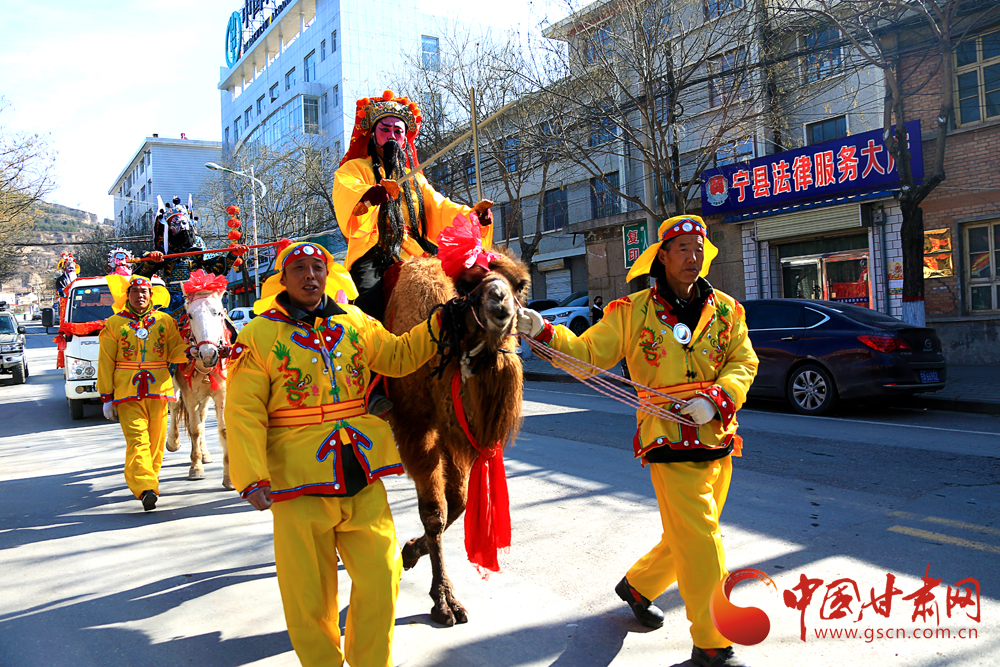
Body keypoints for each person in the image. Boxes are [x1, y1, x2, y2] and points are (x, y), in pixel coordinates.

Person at [516, 215, 758, 667]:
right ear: (661, 256)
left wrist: (718, 397)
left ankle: (638, 586)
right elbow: (589, 356)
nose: (693, 257)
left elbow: (744, 361)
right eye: (682, 249)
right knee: (703, 539)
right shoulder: (632, 313)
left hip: (719, 434)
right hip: (667, 439)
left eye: (698, 248)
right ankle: (712, 641)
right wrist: (543, 331)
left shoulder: (727, 310)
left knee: (688, 534)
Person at [225, 240, 448, 667]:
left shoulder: (356, 321)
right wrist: (251, 476)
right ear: (282, 279)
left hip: (361, 472)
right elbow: (243, 412)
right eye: (300, 269)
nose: (311, 276)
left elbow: (399, 357)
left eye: (318, 267)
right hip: (297, 483)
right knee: (309, 595)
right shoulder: (258, 335)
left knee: (383, 576)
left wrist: (439, 324)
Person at [332, 90, 495, 322]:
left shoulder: (413, 177)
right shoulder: (355, 168)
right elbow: (348, 193)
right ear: (373, 134)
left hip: (415, 250)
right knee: (367, 300)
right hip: (375, 250)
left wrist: (474, 215)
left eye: (398, 131)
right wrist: (370, 194)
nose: (392, 135)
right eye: (385, 129)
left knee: (464, 291)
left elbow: (438, 205)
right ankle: (366, 348)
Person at [98, 275, 189, 511]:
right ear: (127, 296)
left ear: (151, 295)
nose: (140, 295)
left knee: (156, 442)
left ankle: (148, 480)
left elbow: (176, 349)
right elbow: (105, 361)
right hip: (127, 390)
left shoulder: (165, 320)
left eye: (144, 291)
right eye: (135, 291)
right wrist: (106, 396)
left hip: (159, 388)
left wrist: (194, 350)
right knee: (138, 439)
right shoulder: (114, 323)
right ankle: (145, 488)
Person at [133, 196, 243, 315]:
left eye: (184, 222)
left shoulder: (198, 243)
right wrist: (152, 258)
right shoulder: (165, 247)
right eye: (176, 223)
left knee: (219, 318)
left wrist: (232, 255)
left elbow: (214, 266)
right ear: (169, 228)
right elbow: (141, 274)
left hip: (198, 294)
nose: (182, 226)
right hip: (173, 296)